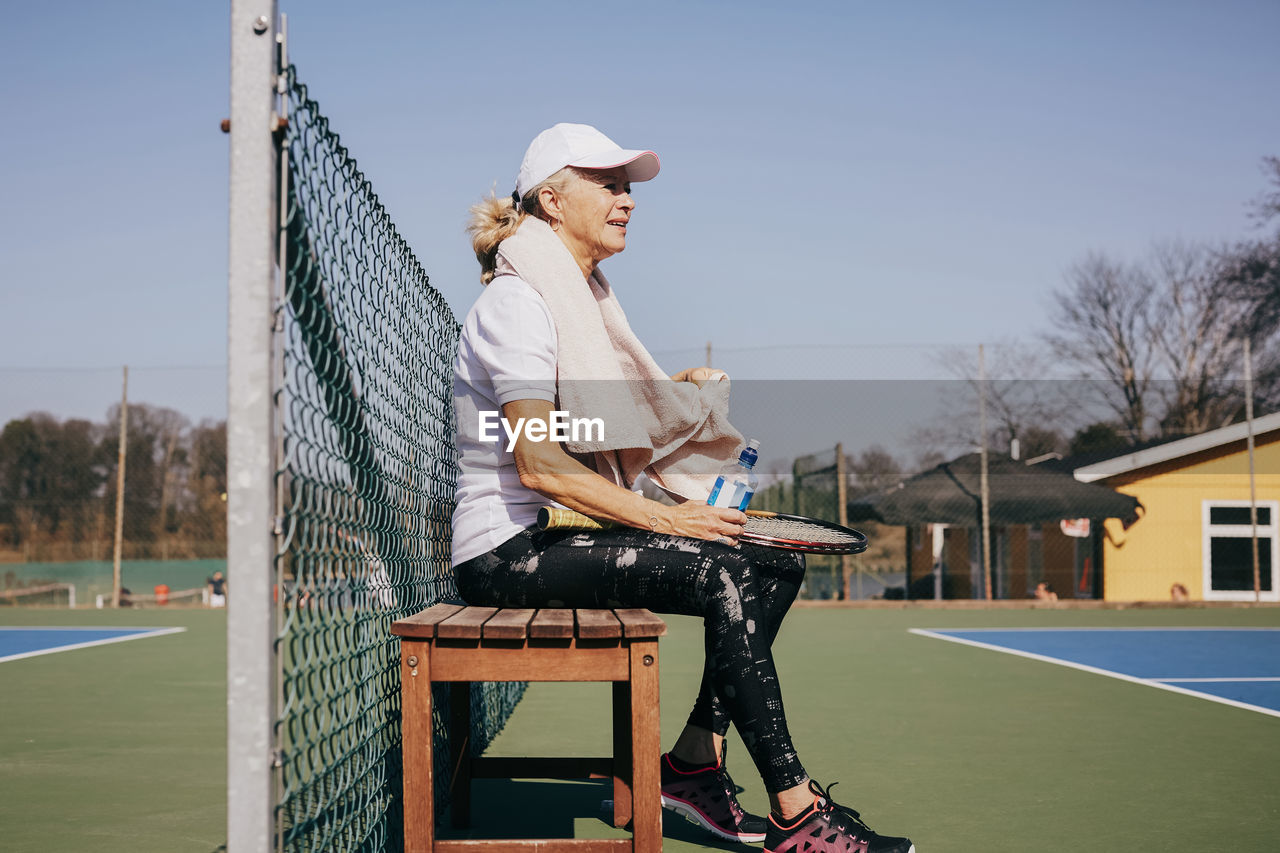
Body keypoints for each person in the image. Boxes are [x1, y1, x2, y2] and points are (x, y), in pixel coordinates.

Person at [451, 123, 914, 853]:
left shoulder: (580, 300)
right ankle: (796, 813)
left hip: (552, 537)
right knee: (721, 562)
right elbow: (540, 466)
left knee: (775, 558)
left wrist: (676, 413)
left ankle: (694, 761)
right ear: (550, 199)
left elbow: (593, 432)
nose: (626, 199)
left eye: (628, 186)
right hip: (506, 554)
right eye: (606, 183)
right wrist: (672, 519)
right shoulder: (518, 304)